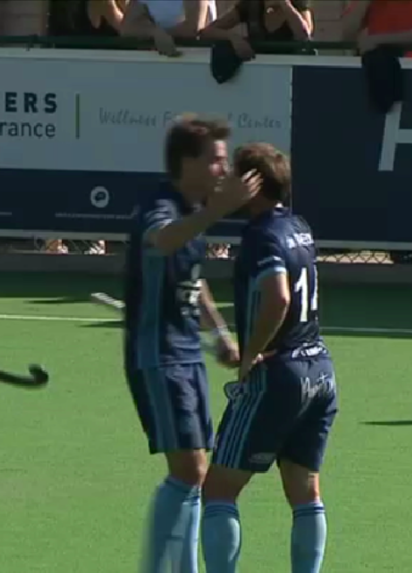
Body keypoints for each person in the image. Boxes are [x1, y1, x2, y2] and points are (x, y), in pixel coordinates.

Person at [123, 115, 260, 572]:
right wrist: (216, 210)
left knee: (196, 474)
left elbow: (193, 281)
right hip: (158, 356)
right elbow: (162, 241)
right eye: (216, 160)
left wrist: (218, 332)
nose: (224, 169)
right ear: (187, 162)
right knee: (188, 471)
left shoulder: (193, 212)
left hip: (187, 355)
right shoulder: (161, 206)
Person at [200, 142, 338, 573]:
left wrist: (250, 355)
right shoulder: (298, 226)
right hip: (320, 370)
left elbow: (278, 298)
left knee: (218, 489)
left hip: (279, 375)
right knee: (304, 490)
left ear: (252, 183)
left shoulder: (260, 235)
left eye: (234, 175)